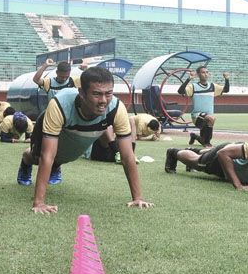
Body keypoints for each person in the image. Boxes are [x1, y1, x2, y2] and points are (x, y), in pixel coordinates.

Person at [17, 66, 153, 213]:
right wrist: (39, 203)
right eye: (96, 94)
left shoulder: (116, 107)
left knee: (66, 155)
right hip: (54, 125)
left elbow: (127, 156)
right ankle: (26, 160)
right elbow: (47, 155)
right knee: (39, 157)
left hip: (77, 140)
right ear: (81, 93)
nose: (103, 101)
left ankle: (56, 165)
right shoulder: (59, 104)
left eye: (108, 93)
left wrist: (137, 197)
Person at [177, 66, 230, 147]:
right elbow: (180, 91)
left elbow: (226, 90)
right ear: (198, 74)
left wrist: (227, 79)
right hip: (197, 116)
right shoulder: (193, 87)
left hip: (208, 118)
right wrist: (189, 79)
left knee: (203, 139)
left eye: (207, 72)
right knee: (211, 119)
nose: (206, 74)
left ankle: (194, 136)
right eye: (203, 72)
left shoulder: (212, 86)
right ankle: (208, 143)